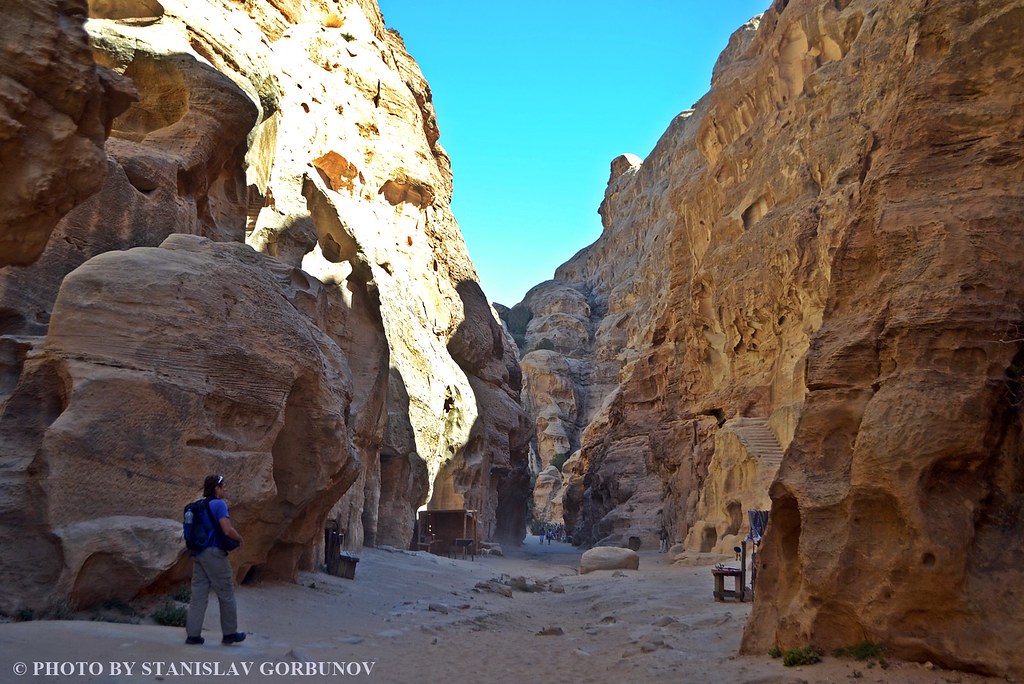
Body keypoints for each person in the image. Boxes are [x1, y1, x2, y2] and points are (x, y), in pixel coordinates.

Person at [185, 475, 245, 645]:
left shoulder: (199, 505)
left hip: (199, 553)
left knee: (198, 595)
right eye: (222, 486)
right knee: (226, 592)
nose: (224, 489)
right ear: (216, 489)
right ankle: (229, 633)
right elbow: (226, 529)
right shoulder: (219, 504)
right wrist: (239, 538)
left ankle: (193, 635)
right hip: (214, 553)